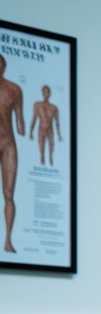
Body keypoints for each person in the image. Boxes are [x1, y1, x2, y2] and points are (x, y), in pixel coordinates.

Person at [0, 54, 24, 254]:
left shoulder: (14, 90)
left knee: (8, 193)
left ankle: (8, 240)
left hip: (8, 143)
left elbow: (20, 123)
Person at [31, 85, 62, 168]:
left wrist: (59, 135)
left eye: (47, 92)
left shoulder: (54, 108)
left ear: (49, 93)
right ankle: (42, 164)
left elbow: (57, 123)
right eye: (44, 92)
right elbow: (34, 118)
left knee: (51, 154)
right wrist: (31, 131)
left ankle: (51, 165)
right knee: (42, 154)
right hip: (41, 130)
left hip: (50, 130)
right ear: (42, 93)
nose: (46, 94)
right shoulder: (38, 105)